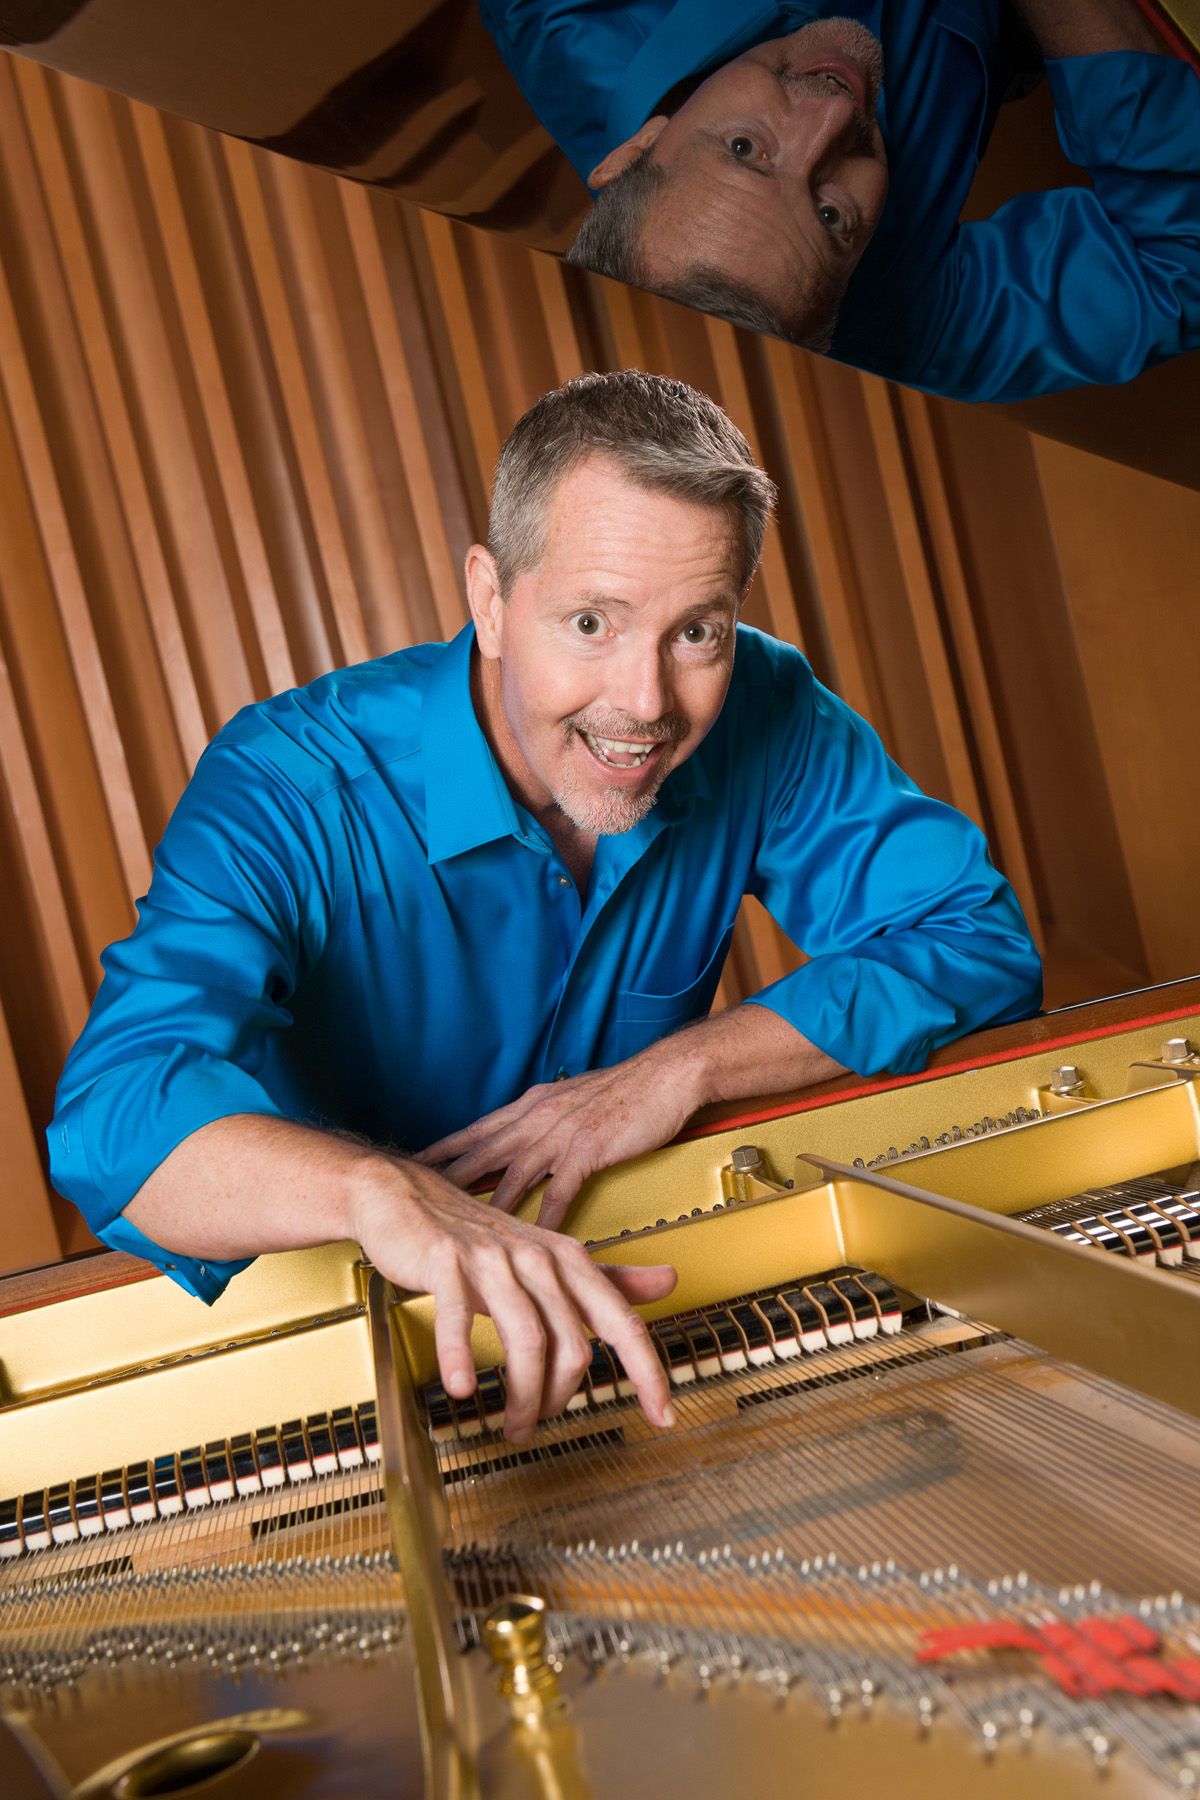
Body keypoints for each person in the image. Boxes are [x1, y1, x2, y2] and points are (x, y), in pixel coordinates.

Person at [48, 371, 1042, 1444]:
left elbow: (972, 937)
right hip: (350, 1365)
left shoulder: (765, 707)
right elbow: (118, 1112)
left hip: (651, 1298)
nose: (646, 700)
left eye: (697, 631)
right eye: (589, 621)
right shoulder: (291, 781)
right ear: (489, 599)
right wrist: (381, 1194)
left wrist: (686, 1066)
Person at [480, 0, 1200, 402]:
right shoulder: (899, 323)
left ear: (636, 152)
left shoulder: (562, 17)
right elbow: (1178, 259)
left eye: (744, 149)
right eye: (831, 218)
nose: (832, 115)